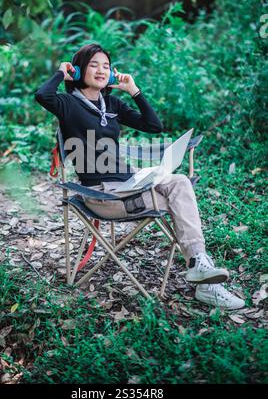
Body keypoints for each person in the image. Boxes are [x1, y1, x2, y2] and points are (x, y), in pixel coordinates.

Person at [35, 43, 245, 310]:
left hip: (129, 187)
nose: (101, 70)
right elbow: (42, 95)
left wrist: (133, 90)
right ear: (78, 70)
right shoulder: (66, 103)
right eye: (93, 65)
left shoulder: (111, 104)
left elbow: (154, 126)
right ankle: (206, 282)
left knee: (179, 183)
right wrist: (60, 73)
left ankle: (200, 267)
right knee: (180, 196)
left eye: (106, 66)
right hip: (103, 196)